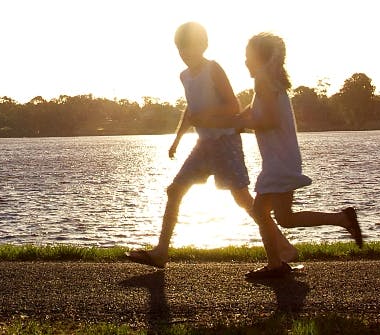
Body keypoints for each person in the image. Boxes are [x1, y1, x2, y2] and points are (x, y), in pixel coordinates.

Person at [126, 21, 303, 276]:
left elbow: (233, 105)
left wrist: (206, 115)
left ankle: (284, 249)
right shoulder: (184, 76)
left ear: (204, 45)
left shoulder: (213, 69)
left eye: (190, 47)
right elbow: (191, 109)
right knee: (175, 190)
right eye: (180, 49)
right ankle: (161, 252)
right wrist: (177, 139)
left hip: (226, 142)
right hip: (203, 144)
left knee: (243, 199)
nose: (185, 53)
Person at [240, 31, 363, 256]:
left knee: (261, 212)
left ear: (260, 58)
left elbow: (269, 120)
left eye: (248, 56)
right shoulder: (271, 82)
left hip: (279, 161)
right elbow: (256, 110)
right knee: (284, 218)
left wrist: (240, 125)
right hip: (283, 158)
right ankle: (342, 219)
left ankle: (275, 264)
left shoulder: (264, 82)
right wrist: (238, 120)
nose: (245, 61)